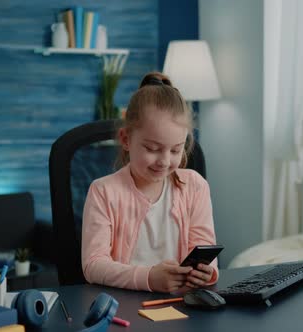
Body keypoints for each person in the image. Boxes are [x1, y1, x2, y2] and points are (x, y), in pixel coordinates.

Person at [81, 71, 219, 293]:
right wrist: (149, 278)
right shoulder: (103, 191)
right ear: (126, 139)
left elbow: (204, 247)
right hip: (125, 307)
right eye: (152, 149)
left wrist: (207, 271)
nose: (164, 161)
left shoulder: (195, 186)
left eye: (176, 149)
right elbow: (93, 265)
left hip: (180, 307)